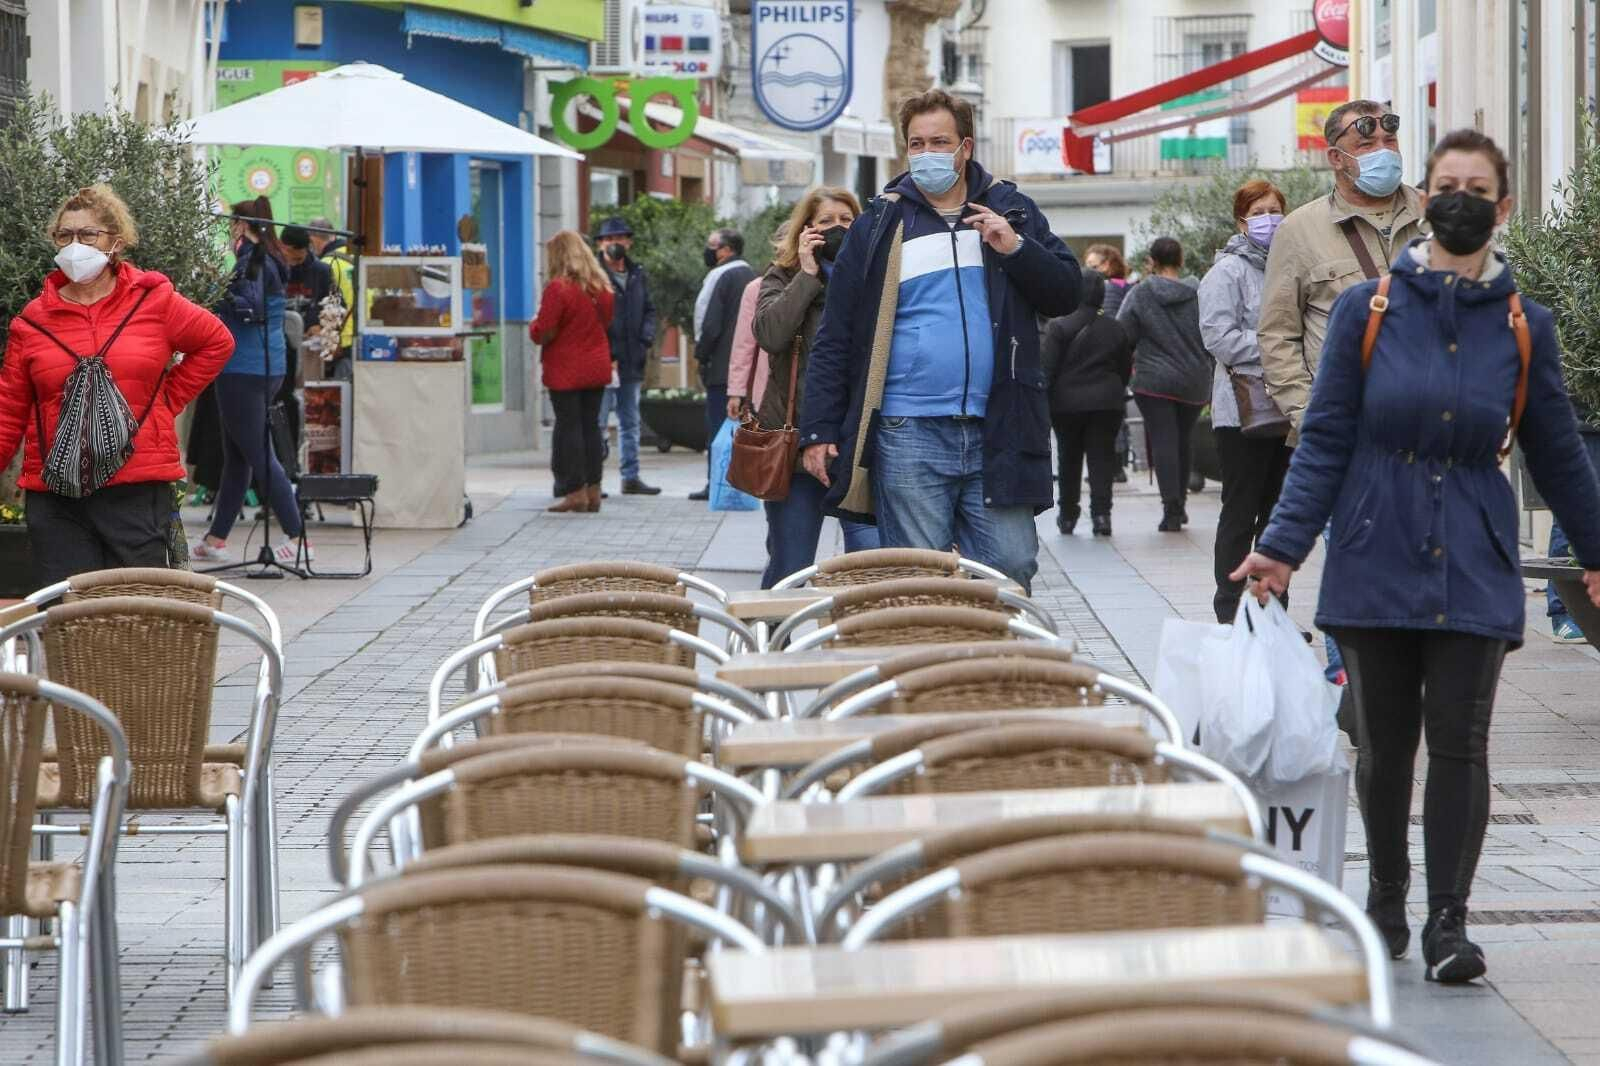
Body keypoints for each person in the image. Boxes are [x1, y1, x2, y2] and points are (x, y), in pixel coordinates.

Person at [1232, 130, 1600, 985]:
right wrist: (1281, 549)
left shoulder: (1524, 326)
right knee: (1384, 745)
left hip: (1473, 550)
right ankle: (1388, 901)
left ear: (1502, 208)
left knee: (1462, 742)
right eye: (1446, 185)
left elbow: (1557, 455)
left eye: (1478, 187)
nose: (1459, 198)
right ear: (1424, 202)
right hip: (1373, 547)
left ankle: (1450, 924)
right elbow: (1323, 441)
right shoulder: (1369, 312)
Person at [799, 89, 1079, 591]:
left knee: (1011, 569)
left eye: (939, 142)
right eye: (916, 143)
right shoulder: (880, 224)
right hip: (908, 431)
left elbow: (1066, 292)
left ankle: (995, 669)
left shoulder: (1012, 210)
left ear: (965, 146)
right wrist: (818, 429)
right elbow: (835, 337)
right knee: (923, 580)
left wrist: (1015, 248)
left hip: (1001, 425)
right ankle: (940, 666)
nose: (927, 154)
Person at [1260, 100, 1426, 682]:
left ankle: (1405, 674)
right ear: (1335, 157)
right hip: (1344, 432)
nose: (1383, 147)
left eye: (1390, 134)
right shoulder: (1299, 231)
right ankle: (1351, 681)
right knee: (1355, 558)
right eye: (1366, 140)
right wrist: (1308, 414)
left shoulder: (1433, 218)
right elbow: (1277, 333)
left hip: (1430, 431)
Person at [0, 184, 234, 585]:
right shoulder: (33, 321)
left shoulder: (154, 302)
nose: (75, 244)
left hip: (138, 489)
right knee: (67, 616)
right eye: (65, 235)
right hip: (58, 495)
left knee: (137, 616)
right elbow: (9, 408)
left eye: (87, 234)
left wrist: (163, 402)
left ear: (116, 243)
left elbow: (216, 343)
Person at [744, 188, 881, 587]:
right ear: (807, 230)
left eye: (846, 220)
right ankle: (773, 640)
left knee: (869, 566)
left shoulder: (874, 276)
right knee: (791, 563)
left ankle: (860, 642)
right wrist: (806, 275)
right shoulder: (783, 275)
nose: (837, 229)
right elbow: (769, 334)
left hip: (859, 443)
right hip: (795, 441)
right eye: (826, 221)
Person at [191, 198, 308, 565]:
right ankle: (216, 538)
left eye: (232, 225)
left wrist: (216, 292)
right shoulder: (273, 256)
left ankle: (297, 535)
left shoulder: (253, 260)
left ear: (242, 225)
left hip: (243, 368)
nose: (230, 232)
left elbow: (248, 308)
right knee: (239, 457)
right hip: (266, 366)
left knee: (258, 454)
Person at [1200, 180, 1294, 622]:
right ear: (1242, 220)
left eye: (1275, 210)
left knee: (1278, 512)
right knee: (1241, 509)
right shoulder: (1227, 272)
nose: (1269, 219)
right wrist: (1277, 347)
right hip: (1242, 411)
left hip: (1288, 406)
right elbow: (1218, 337)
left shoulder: (1291, 265)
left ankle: (1273, 609)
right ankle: (1229, 607)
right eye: (1259, 211)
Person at [1117, 237, 1210, 532]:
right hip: (1194, 380)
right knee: (1183, 441)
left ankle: (1172, 509)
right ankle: (1179, 503)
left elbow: (1123, 334)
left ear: (1151, 261)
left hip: (1153, 381)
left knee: (1163, 441)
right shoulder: (1199, 292)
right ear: (1181, 260)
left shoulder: (1141, 293)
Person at [530, 230, 615, 514]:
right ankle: (594, 490)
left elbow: (543, 330)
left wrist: (533, 326)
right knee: (591, 427)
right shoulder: (601, 287)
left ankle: (574, 491)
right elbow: (605, 322)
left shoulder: (559, 288)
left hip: (566, 368)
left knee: (569, 428)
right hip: (596, 365)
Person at [1043, 271, 1131, 537]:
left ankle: (1068, 514)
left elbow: (1048, 369)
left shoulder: (1059, 326)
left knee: (1068, 459)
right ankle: (1102, 515)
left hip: (1066, 404)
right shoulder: (1115, 328)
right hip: (1107, 403)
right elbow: (1124, 369)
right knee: (1101, 459)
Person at [689, 228, 755, 501]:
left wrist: (701, 355)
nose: (709, 251)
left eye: (712, 246)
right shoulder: (752, 275)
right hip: (749, 370)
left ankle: (716, 484)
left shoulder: (719, 276)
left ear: (726, 250)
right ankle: (744, 483)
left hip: (721, 369)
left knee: (718, 427)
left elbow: (709, 323)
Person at [595, 217, 660, 496]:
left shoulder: (637, 274)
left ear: (628, 243)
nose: (614, 244)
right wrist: (606, 353)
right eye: (609, 240)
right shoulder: (595, 276)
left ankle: (630, 477)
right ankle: (593, 480)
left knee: (630, 422)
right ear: (600, 245)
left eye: (619, 239)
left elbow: (649, 310)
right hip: (603, 362)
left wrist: (646, 338)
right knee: (597, 422)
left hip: (632, 361)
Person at [307, 215, 356, 378]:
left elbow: (326, 303)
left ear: (313, 239)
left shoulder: (326, 264)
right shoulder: (354, 256)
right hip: (361, 335)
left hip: (340, 339)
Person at [1082, 243, 1131, 318]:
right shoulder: (1123, 285)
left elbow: (1109, 316)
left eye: (1092, 267)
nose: (1087, 271)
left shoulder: (1109, 287)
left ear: (1106, 265)